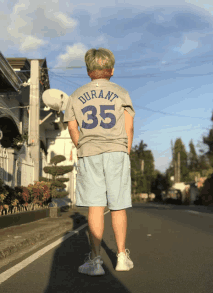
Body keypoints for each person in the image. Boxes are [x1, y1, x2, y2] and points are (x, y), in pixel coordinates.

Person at [64, 48, 135, 276]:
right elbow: (129, 126)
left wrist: (80, 145)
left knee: (96, 205)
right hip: (116, 151)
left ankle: (95, 261)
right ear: (111, 70)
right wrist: (126, 150)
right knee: (118, 204)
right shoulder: (121, 92)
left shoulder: (76, 95)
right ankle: (122, 256)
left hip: (89, 152)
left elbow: (72, 127)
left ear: (88, 71)